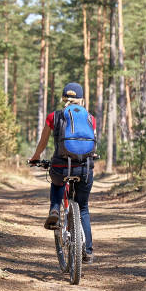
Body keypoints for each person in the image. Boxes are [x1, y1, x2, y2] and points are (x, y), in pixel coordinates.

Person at [29, 83, 96, 263]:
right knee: (82, 208)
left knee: (57, 182)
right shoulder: (90, 118)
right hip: (85, 168)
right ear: (81, 99)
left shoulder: (54, 116)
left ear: (63, 99)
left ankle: (55, 210)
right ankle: (87, 251)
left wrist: (35, 158)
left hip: (61, 166)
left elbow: (43, 143)